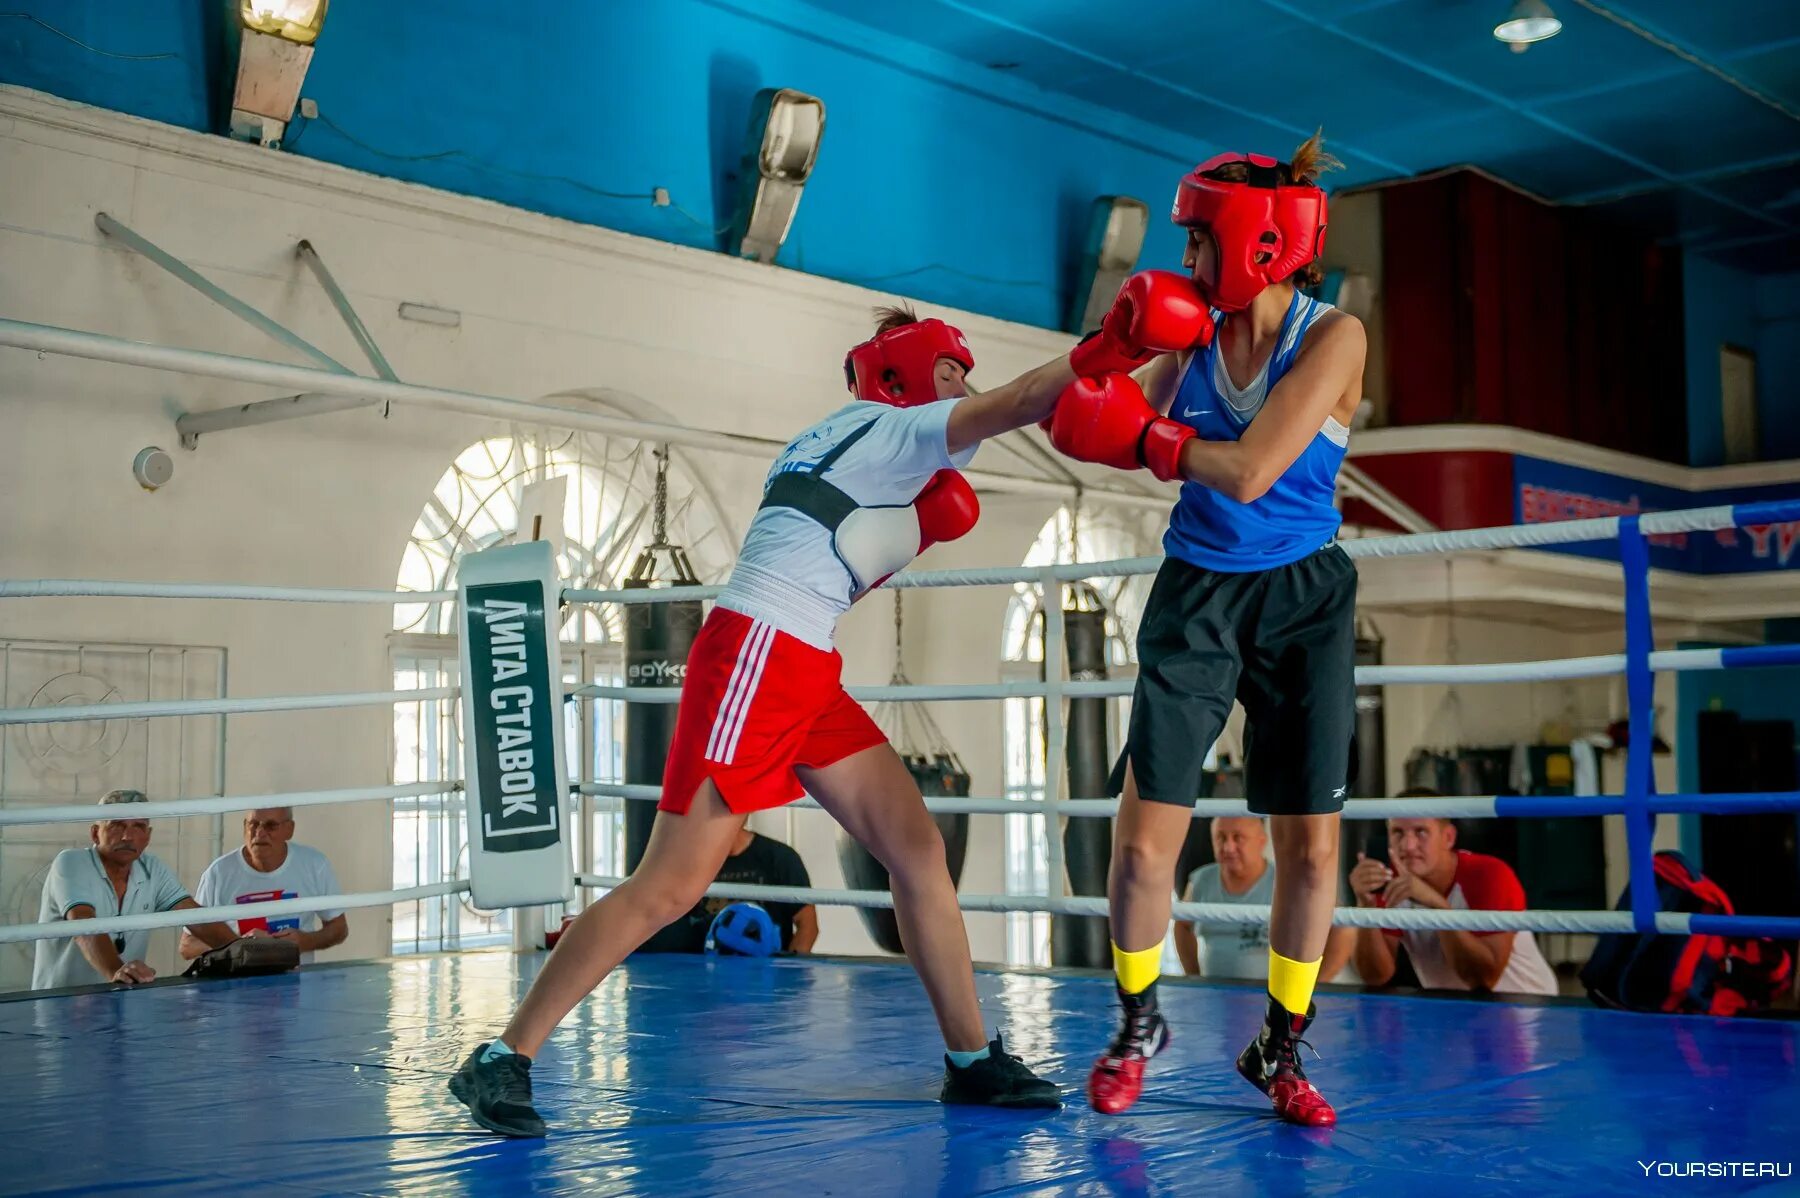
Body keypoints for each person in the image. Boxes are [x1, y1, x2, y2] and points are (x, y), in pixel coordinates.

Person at [449, 304, 1155, 1137]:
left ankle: (971, 1061)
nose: (962, 386)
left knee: (916, 846)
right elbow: (1023, 398)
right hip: (758, 650)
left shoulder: (838, 439)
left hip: (801, 661)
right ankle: (503, 1056)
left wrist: (925, 522)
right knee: (672, 884)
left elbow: (839, 550)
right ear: (905, 370)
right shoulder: (890, 430)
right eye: (951, 370)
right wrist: (1121, 347)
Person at [1045, 133, 1363, 1125]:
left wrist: (1145, 435)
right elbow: (1095, 419)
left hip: (1304, 597)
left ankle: (1280, 1046)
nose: (1185, 267)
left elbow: (1253, 468)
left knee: (1311, 852)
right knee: (1143, 848)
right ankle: (1140, 1020)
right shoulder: (1185, 338)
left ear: (1262, 245)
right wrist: (1105, 359)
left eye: (1198, 246)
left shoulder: (1334, 337)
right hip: (1197, 593)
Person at [31, 790, 239, 990]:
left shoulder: (152, 868)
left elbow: (196, 917)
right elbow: (83, 925)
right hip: (61, 1003)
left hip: (121, 1002)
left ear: (147, 837)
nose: (127, 836)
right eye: (117, 825)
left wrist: (244, 951)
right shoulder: (72, 862)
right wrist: (116, 971)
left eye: (138, 826)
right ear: (96, 833)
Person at [1349, 814, 1558, 997]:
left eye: (1421, 832)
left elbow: (1483, 980)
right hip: (1453, 1015)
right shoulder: (1389, 880)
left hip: (1526, 1009)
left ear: (1448, 837)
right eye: (1397, 833)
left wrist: (1437, 906)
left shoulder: (1490, 874)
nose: (1408, 845)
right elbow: (1376, 976)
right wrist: (1367, 907)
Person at [1173, 816, 1353, 983]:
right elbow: (1182, 925)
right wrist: (1193, 976)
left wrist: (1314, 986)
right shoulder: (1201, 879)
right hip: (1214, 997)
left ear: (1261, 841)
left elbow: (1343, 928)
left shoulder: (1287, 880)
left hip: (1272, 1002)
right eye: (1220, 838)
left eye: (1238, 838)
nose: (1228, 847)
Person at [179, 807, 348, 966]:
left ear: (289, 829)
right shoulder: (218, 873)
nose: (259, 833)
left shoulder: (314, 865)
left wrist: (305, 942)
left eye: (271, 826)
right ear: (244, 827)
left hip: (298, 988)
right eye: (253, 825)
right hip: (237, 989)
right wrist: (239, 945)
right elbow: (187, 946)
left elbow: (339, 928)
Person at [638, 826, 818, 953]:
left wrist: (788, 975)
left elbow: (808, 926)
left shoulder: (779, 857)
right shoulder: (689, 861)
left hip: (762, 975)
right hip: (705, 974)